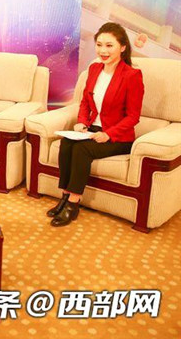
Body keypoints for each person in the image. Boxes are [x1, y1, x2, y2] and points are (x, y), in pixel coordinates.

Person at [49, 22, 144, 227]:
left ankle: (73, 203)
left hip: (119, 137)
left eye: (109, 45)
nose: (103, 51)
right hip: (92, 129)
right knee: (67, 143)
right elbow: (85, 101)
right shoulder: (94, 69)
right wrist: (82, 122)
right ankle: (64, 196)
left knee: (81, 149)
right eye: (99, 45)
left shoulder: (132, 76)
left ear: (123, 47)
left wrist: (109, 134)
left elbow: (133, 116)